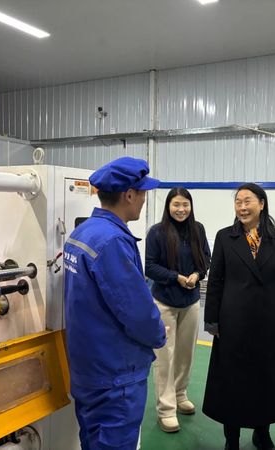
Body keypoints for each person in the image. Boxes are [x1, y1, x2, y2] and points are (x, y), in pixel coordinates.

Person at [64, 157, 166, 450]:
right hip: (116, 376)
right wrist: (159, 333)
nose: (144, 200)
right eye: (143, 193)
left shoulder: (82, 232)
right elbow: (137, 313)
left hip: (88, 369)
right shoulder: (113, 242)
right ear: (129, 195)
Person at [203, 183, 275, 450]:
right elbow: (216, 280)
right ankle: (231, 438)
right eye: (238, 202)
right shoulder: (225, 237)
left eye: (247, 201)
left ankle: (262, 433)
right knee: (232, 381)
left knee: (265, 380)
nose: (242, 207)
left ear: (262, 204)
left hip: (269, 322)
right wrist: (211, 318)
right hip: (233, 321)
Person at [145, 187, 211, 433]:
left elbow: (206, 258)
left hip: (191, 302)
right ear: (168, 206)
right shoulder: (157, 232)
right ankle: (166, 409)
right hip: (164, 303)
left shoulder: (198, 230)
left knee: (185, 354)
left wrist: (196, 274)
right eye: (176, 205)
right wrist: (176, 277)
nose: (181, 209)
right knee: (165, 357)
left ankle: (180, 394)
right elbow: (150, 266)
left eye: (185, 204)